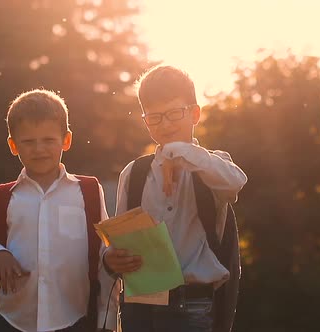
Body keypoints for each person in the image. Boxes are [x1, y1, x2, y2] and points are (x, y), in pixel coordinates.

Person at [104, 65, 247, 332]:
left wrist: (182, 151)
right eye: (155, 117)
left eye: (174, 113)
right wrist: (111, 258)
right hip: (141, 306)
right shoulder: (134, 173)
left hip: (193, 307)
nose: (166, 124)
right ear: (145, 120)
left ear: (195, 113)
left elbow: (235, 183)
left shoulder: (212, 166)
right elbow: (119, 239)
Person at [0, 89, 117, 332]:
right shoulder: (3, 198)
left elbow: (104, 258)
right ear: (13, 145)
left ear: (66, 140)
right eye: (28, 141)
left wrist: (108, 320)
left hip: (76, 319)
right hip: (14, 321)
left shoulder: (89, 192)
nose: (39, 149)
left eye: (48, 140)